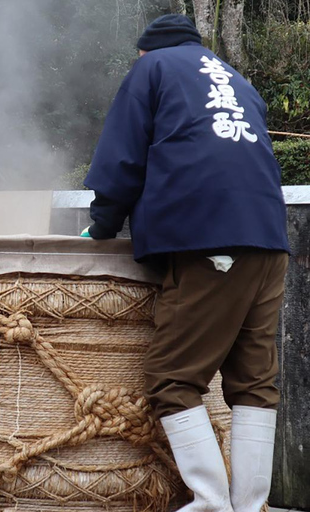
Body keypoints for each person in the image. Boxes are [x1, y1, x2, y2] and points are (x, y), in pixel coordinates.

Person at [81, 14, 289, 512]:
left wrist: (102, 226)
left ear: (144, 51)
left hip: (210, 242)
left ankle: (212, 504)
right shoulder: (234, 79)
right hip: (268, 239)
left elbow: (122, 159)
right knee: (254, 382)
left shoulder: (150, 71)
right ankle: (249, 505)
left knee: (173, 378)